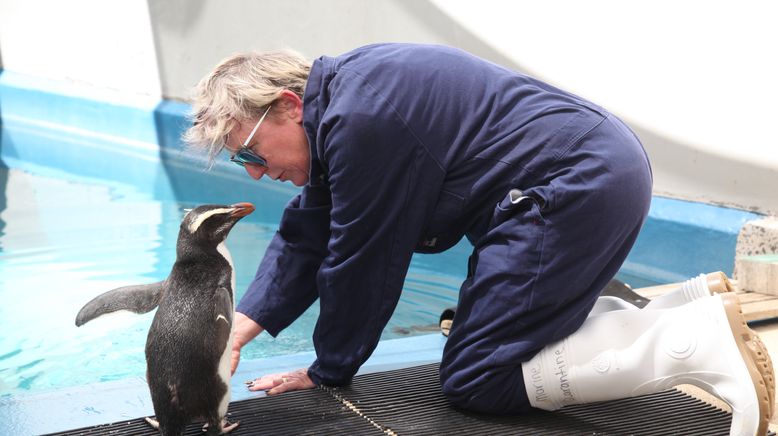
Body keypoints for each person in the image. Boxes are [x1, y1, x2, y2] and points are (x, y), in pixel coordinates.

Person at [184, 43, 773, 435]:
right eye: (242, 166)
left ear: (289, 106)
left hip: (571, 187)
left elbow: (361, 257)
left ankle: (686, 340)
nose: (257, 173)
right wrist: (239, 329)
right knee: (487, 349)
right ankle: (679, 306)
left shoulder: (362, 119)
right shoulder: (349, 98)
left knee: (476, 380)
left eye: (250, 154)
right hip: (585, 173)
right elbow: (311, 227)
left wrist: (331, 369)